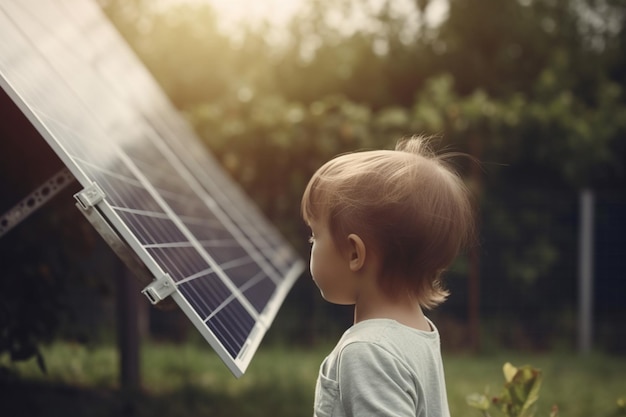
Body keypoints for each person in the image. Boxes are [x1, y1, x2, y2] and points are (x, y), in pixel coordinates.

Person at [301, 135, 475, 417]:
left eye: (314, 236)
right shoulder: (420, 331)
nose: (311, 244)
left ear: (354, 253)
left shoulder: (368, 351)